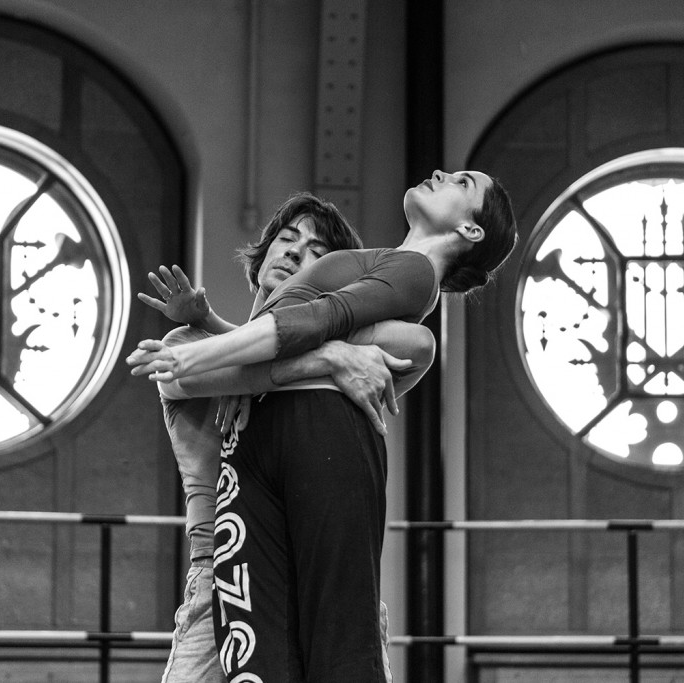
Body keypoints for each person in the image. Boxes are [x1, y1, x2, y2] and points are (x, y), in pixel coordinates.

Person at [129, 170, 518, 682]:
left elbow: (405, 346)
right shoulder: (187, 342)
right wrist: (329, 357)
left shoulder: (392, 318)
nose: (294, 255)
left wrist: (327, 347)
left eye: (315, 254)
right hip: (222, 568)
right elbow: (190, 377)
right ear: (261, 256)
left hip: (319, 545)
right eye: (286, 240)